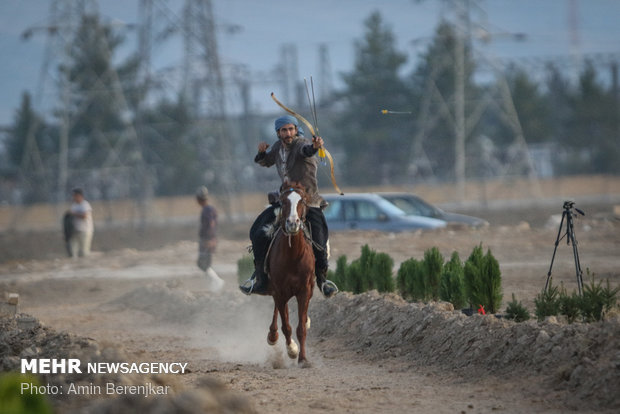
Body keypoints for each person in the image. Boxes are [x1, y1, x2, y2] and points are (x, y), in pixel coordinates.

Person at [239, 115, 338, 298]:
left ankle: (323, 280)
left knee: (319, 238)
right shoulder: (277, 147)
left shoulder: (302, 144)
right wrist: (261, 153)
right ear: (278, 133)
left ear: (296, 130)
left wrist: (315, 147)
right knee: (257, 232)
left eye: (291, 129)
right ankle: (260, 278)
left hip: (308, 202)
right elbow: (265, 162)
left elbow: (307, 151)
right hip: (284, 202)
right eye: (284, 130)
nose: (288, 133)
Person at [196, 186, 218, 272]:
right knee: (205, 264)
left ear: (199, 199)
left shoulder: (207, 210)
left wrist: (209, 239)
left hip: (207, 240)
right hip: (209, 239)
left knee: (203, 264)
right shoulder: (210, 209)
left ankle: (216, 283)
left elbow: (211, 224)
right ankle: (212, 283)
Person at [67, 188, 94, 258]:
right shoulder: (74, 205)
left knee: (84, 251)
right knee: (73, 251)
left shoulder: (85, 205)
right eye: (73, 196)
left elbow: (85, 216)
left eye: (76, 196)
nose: (74, 197)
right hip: (75, 231)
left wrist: (74, 214)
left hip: (85, 231)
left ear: (80, 196)